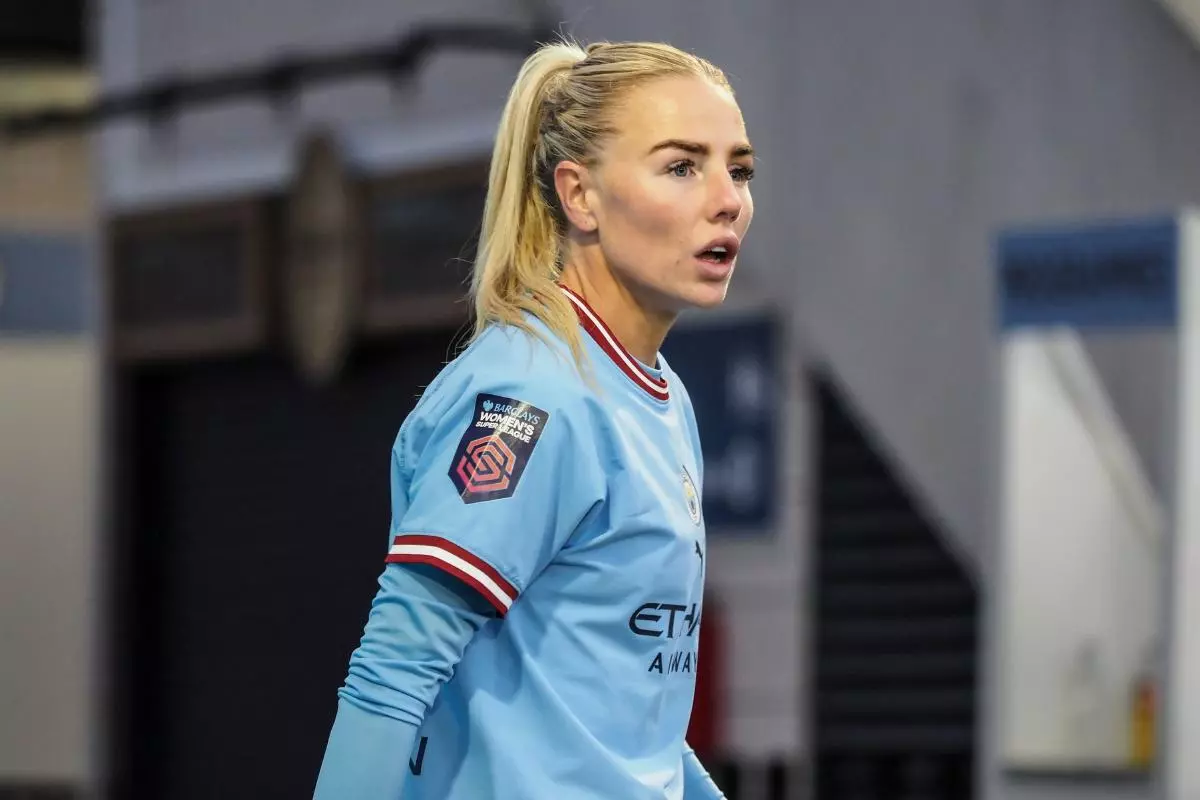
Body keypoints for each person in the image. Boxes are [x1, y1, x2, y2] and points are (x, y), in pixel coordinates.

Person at [313, 37, 754, 799]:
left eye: (739, 169)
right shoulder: (533, 396)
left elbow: (619, 726)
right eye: (682, 166)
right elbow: (392, 673)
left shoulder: (661, 398)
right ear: (579, 194)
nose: (727, 199)